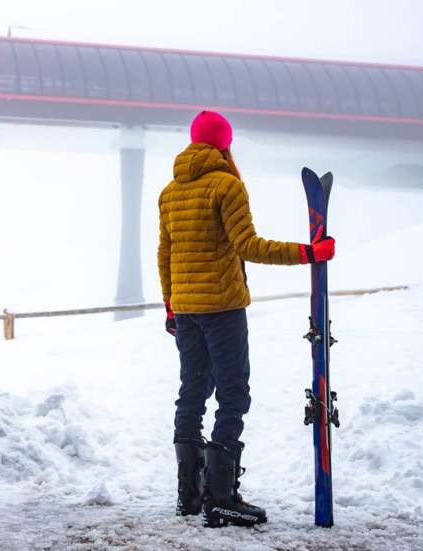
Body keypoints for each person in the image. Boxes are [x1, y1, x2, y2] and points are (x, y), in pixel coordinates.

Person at [157, 111, 336, 528]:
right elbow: (249, 245)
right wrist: (308, 253)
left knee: (192, 392)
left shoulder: (170, 191)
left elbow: (164, 255)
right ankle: (220, 497)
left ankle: (190, 494)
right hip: (221, 308)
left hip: (185, 309)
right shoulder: (227, 185)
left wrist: (170, 306)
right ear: (224, 143)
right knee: (233, 395)